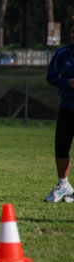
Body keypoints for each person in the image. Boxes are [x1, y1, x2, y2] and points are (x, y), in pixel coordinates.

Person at [44, 17, 74, 202]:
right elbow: (50, 77)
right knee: (61, 147)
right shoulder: (63, 53)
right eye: (72, 32)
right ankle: (63, 184)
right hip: (67, 108)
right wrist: (67, 83)